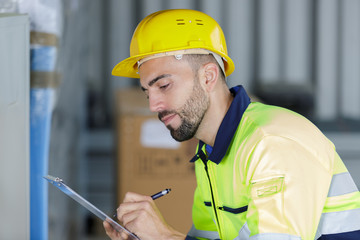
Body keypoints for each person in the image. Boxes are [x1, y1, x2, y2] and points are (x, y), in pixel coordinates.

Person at [103, 9, 360, 240]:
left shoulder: (271, 144)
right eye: (148, 93)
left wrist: (164, 236)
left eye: (164, 85)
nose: (153, 105)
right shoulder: (211, 155)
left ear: (208, 77)